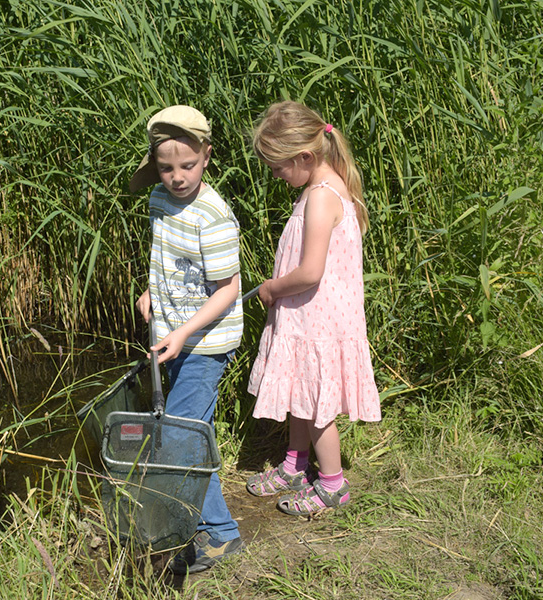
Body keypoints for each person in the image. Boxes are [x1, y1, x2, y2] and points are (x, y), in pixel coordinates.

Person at [245, 101, 381, 516]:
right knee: (301, 396)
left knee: (319, 407)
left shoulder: (322, 198)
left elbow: (310, 272)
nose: (275, 176)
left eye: (278, 167)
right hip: (309, 319)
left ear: (305, 156)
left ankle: (332, 486)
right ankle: (294, 466)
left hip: (318, 319)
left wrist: (271, 287)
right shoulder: (326, 187)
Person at [129, 105, 245, 573]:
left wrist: (180, 331)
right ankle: (203, 524)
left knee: (179, 436)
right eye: (166, 167)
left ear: (207, 157)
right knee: (192, 433)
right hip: (173, 335)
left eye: (188, 166)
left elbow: (228, 290)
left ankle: (220, 533)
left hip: (205, 343)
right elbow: (169, 261)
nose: (177, 177)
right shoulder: (159, 199)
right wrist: (150, 291)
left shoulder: (213, 216)